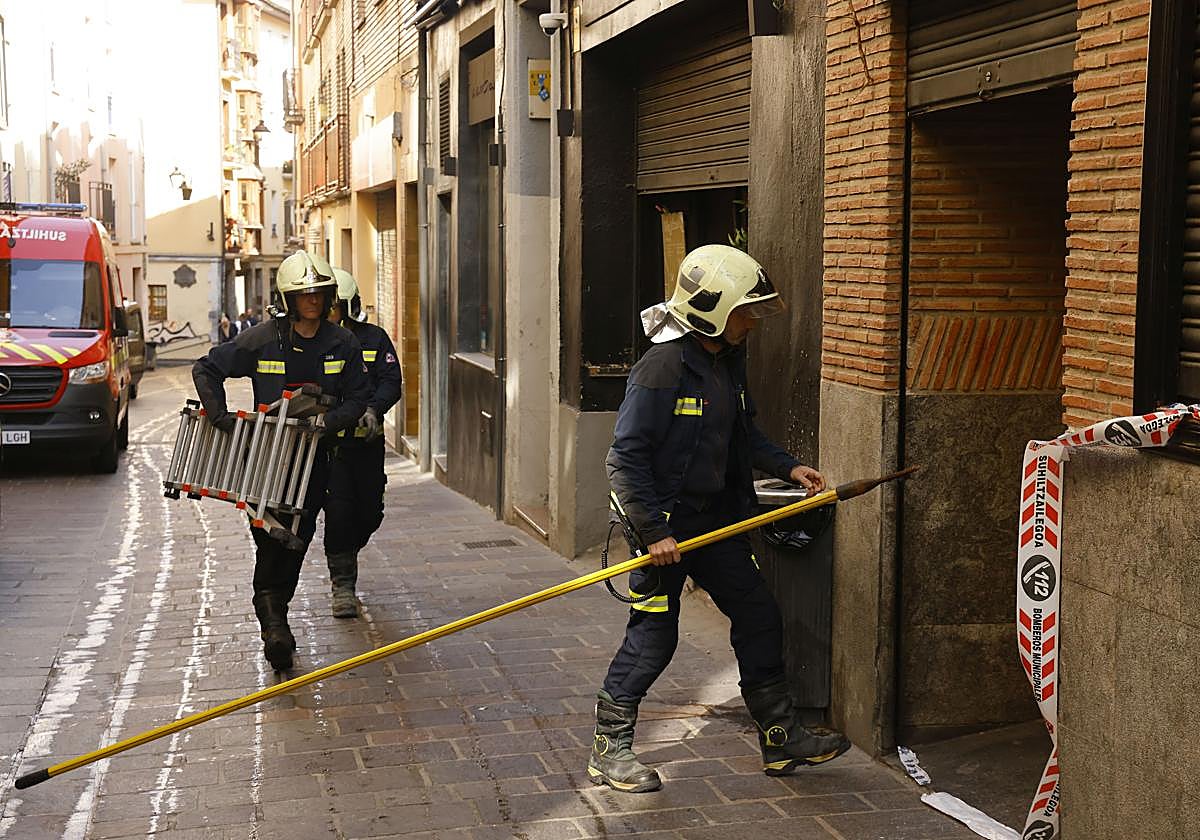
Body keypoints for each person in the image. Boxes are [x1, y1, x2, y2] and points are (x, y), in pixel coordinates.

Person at [587, 244, 851, 793]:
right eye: (743, 311)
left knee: (759, 616)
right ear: (713, 309)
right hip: (662, 529)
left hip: (715, 524)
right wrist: (654, 534)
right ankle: (610, 748)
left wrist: (790, 465)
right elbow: (625, 457)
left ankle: (780, 738)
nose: (751, 322)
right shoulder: (660, 369)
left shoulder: (725, 363)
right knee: (654, 636)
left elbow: (742, 434)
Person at [192, 251, 370, 671]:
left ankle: (277, 614)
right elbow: (207, 369)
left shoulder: (342, 342)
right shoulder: (261, 338)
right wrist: (218, 416)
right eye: (303, 294)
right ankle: (275, 627)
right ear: (288, 299)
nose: (312, 300)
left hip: (316, 463)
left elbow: (359, 395)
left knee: (296, 543)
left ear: (329, 298)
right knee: (271, 544)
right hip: (267, 464)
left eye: (318, 294)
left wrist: (329, 422)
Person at [322, 267, 402, 618]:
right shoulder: (315, 342)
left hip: (367, 446)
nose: (327, 312)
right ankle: (343, 584)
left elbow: (391, 382)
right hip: (331, 448)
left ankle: (346, 553)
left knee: (370, 513)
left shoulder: (375, 339)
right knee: (339, 512)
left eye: (333, 305)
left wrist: (374, 408)